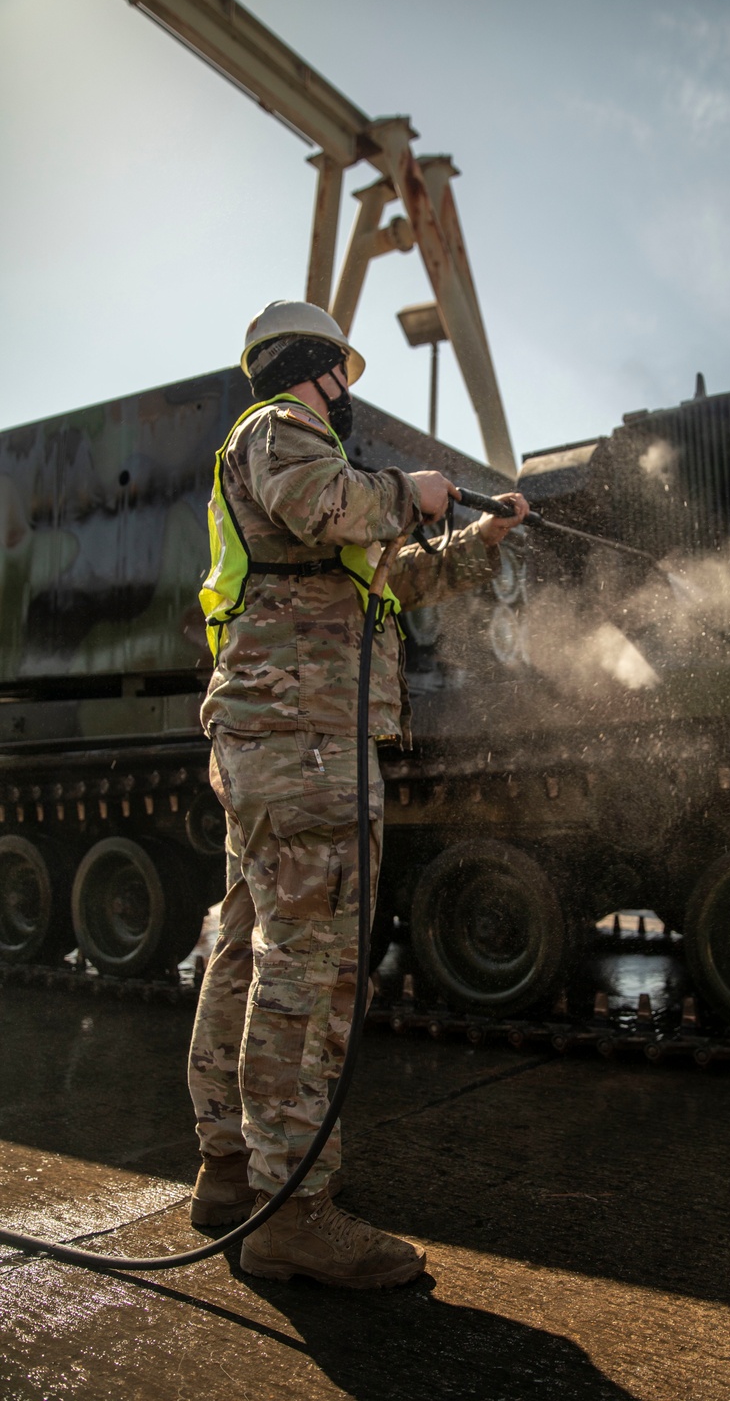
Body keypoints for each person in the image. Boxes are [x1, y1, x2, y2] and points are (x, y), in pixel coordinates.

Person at [187, 300, 528, 1288]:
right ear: (317, 367)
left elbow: (392, 584)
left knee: (255, 954)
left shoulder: (303, 468)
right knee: (312, 965)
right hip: (301, 741)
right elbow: (340, 507)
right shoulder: (276, 431)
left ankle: (229, 1176)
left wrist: (483, 538)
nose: (351, 394)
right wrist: (409, 487)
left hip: (288, 741)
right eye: (345, 373)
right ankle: (292, 1209)